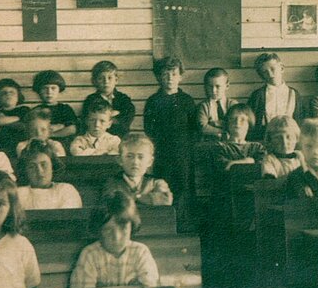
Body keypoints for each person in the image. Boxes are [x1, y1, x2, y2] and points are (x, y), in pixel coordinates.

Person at [143, 57, 195, 220]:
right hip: (162, 155)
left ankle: (184, 223)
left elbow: (193, 129)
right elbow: (149, 130)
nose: (170, 78)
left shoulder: (187, 101)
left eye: (174, 74)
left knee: (184, 188)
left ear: (180, 76)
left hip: (183, 154)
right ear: (158, 77)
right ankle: (166, 224)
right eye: (165, 74)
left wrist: (187, 150)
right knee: (163, 187)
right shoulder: (153, 102)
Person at [282, 118, 318, 223]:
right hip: (304, 227)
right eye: (309, 146)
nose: (315, 152)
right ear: (301, 147)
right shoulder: (295, 176)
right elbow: (302, 206)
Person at [101, 133, 173, 207]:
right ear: (120, 160)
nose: (135, 162)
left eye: (140, 157)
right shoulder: (113, 183)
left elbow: (165, 199)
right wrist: (145, 198)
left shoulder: (156, 183)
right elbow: (111, 203)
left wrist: (135, 197)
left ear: (149, 162)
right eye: (129, 156)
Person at [247, 52, 300, 142]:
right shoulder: (257, 95)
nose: (270, 74)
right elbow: (252, 122)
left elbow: (299, 119)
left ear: (282, 68)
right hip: (265, 138)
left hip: (290, 138)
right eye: (265, 72)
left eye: (273, 69)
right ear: (261, 75)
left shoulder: (294, 93)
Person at [16, 140, 82, 210]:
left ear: (52, 166)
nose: (39, 171)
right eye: (32, 167)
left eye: (44, 165)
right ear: (25, 171)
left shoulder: (66, 190)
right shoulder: (19, 194)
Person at [80, 60, 136, 140]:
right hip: (97, 138)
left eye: (110, 78)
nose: (106, 81)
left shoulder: (123, 99)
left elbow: (126, 121)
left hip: (120, 137)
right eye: (100, 78)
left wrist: (103, 118)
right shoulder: (90, 100)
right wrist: (113, 115)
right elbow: (87, 121)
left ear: (116, 80)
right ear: (94, 81)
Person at [212, 103, 266, 178]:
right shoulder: (219, 146)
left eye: (242, 119)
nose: (237, 122)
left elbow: (262, 168)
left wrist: (233, 164)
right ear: (227, 123)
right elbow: (225, 168)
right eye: (232, 119)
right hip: (229, 187)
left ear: (249, 124)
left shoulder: (257, 147)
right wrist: (249, 161)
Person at [32, 69, 78, 149]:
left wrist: (49, 134)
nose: (49, 92)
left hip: (63, 143)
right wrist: (60, 126)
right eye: (45, 88)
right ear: (38, 91)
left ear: (59, 90)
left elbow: (72, 129)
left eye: (53, 88)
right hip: (42, 145)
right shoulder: (36, 110)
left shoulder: (65, 109)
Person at [0, 78, 30, 159]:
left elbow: (27, 126)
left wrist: (6, 121)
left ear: (18, 96)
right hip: (0, 147)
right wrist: (18, 118)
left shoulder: (24, 110)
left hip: (22, 147)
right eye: (4, 93)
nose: (8, 95)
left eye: (12, 92)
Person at [195, 67, 237, 142]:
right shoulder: (203, 106)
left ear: (227, 86)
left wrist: (213, 124)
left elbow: (235, 125)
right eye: (210, 86)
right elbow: (203, 127)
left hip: (230, 144)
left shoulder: (233, 105)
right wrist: (223, 131)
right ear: (205, 87)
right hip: (209, 145)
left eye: (218, 86)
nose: (213, 90)